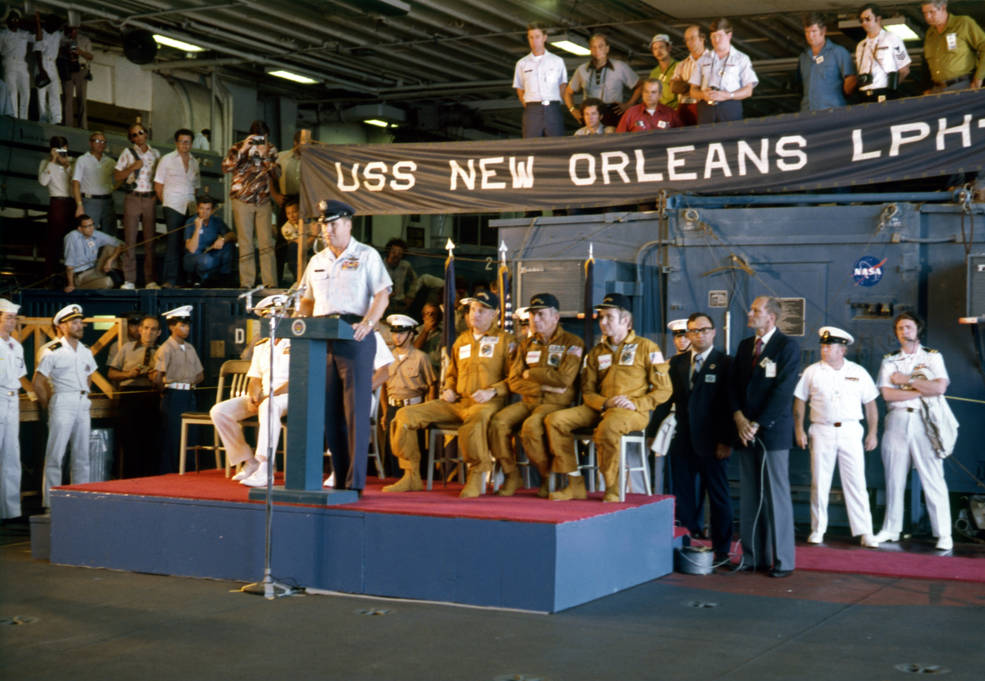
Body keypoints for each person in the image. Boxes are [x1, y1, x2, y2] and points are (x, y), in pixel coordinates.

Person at [298, 200, 391, 494]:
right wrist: (300, 319)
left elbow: (382, 295)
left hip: (354, 336)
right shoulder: (317, 261)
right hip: (321, 338)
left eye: (334, 224)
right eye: (324, 225)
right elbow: (307, 299)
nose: (328, 230)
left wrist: (369, 323)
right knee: (330, 413)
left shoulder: (366, 255)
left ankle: (354, 482)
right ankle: (339, 477)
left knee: (355, 411)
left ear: (349, 224)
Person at [545, 293, 672, 502]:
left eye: (608, 317)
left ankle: (611, 486)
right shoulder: (596, 352)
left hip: (632, 412)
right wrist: (604, 402)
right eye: (600, 317)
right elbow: (587, 391)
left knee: (609, 427)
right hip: (601, 407)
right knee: (555, 420)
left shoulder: (646, 348)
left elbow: (664, 390)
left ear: (626, 321)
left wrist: (636, 403)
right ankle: (575, 482)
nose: (602, 322)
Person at [385, 291, 513, 497]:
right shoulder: (462, 341)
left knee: (475, 420)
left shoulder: (506, 341)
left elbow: (514, 380)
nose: (475, 315)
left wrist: (493, 391)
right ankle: (411, 474)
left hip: (488, 404)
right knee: (405, 416)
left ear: (495, 314)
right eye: (472, 310)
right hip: (458, 402)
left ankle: (476, 474)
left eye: (481, 311)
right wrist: (449, 389)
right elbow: (452, 374)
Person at [728, 296, 800, 577]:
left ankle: (783, 560)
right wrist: (739, 417)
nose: (750, 313)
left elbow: (783, 390)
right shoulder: (747, 346)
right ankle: (752, 557)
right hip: (745, 430)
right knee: (749, 495)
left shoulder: (787, 346)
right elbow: (733, 385)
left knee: (776, 495)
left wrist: (758, 423)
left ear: (770, 317)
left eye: (755, 310)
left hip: (771, 431)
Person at [793, 326, 880, 549]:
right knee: (819, 482)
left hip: (851, 431)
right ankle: (818, 529)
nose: (824, 349)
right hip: (821, 430)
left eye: (829, 346)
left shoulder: (858, 372)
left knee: (856, 483)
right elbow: (799, 401)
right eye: (823, 345)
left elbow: (871, 404)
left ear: (842, 350)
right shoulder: (812, 372)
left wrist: (872, 432)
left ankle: (865, 531)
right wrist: (799, 430)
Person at [491, 293, 584, 499]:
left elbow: (564, 381)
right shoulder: (525, 344)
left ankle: (546, 477)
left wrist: (531, 374)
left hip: (556, 404)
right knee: (498, 421)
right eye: (532, 315)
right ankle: (512, 474)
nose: (535, 320)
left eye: (541, 315)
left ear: (556, 317)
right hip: (530, 401)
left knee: (531, 427)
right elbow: (514, 382)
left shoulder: (572, 343)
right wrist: (543, 387)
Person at [873, 312, 953, 552]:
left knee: (933, 477)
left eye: (908, 327)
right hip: (896, 419)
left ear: (918, 329)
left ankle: (944, 534)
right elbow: (887, 394)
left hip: (923, 421)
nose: (904, 331)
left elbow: (939, 386)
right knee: (894, 478)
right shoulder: (889, 361)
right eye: (899, 328)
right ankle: (891, 529)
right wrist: (920, 388)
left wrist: (906, 379)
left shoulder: (932, 357)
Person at [668, 313, 734, 561]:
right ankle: (684, 545)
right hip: (684, 440)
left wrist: (726, 440)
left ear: (714, 332)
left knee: (718, 498)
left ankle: (722, 550)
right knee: (683, 497)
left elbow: (731, 405)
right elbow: (667, 400)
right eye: (694, 331)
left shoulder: (726, 364)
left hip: (714, 443)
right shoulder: (678, 363)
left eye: (704, 330)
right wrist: (654, 433)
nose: (699, 335)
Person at [210, 295, 292, 488]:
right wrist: (253, 394)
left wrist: (265, 397)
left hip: (289, 396)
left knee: (268, 406)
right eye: (268, 316)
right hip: (264, 396)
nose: (273, 319)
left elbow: (298, 379)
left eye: (278, 314)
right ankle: (249, 461)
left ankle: (265, 468)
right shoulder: (262, 345)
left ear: (287, 315)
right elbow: (254, 377)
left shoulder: (298, 342)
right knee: (219, 411)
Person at [32, 304, 95, 508]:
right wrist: (49, 404)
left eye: (80, 322)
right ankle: (50, 503)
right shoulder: (52, 351)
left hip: (82, 402)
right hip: (63, 401)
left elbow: (89, 376)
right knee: (56, 454)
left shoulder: (85, 351)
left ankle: (81, 499)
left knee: (82, 454)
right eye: (74, 323)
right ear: (61, 326)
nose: (79, 326)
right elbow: (38, 381)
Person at [222, 119, 281, 288]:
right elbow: (226, 167)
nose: (260, 141)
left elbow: (277, 174)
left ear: (267, 136)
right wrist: (243, 150)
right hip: (242, 200)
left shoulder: (271, 149)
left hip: (263, 200)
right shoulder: (238, 147)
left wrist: (265, 157)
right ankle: (247, 282)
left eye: (262, 138)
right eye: (256, 138)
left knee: (266, 243)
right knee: (245, 241)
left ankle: (270, 282)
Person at [379, 314, 438, 478]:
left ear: (411, 334)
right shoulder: (388, 357)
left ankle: (414, 479)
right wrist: (384, 412)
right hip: (392, 406)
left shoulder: (421, 358)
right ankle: (394, 479)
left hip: (413, 407)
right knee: (392, 449)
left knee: (413, 447)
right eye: (394, 333)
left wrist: (429, 411)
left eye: (402, 333)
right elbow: (383, 386)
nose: (397, 337)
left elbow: (432, 385)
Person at [107, 315, 162, 478]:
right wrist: (128, 374)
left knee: (150, 441)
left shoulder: (162, 351)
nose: (149, 333)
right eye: (145, 328)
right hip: (129, 397)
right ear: (139, 330)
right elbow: (111, 373)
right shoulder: (126, 348)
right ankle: (129, 480)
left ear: (158, 333)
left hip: (151, 397)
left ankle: (148, 479)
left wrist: (156, 377)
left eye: (153, 329)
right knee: (129, 441)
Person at [152, 305, 204, 475]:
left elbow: (200, 374)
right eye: (182, 325)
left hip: (189, 393)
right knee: (173, 435)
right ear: (171, 327)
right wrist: (165, 390)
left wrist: (188, 383)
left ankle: (188, 470)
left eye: (187, 325)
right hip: (173, 394)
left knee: (191, 434)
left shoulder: (190, 348)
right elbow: (158, 376)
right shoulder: (166, 348)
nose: (186, 328)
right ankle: (171, 472)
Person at [0, 299, 36, 522]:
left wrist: (31, 392)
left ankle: (10, 510)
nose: (12, 322)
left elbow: (21, 375)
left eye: (14, 318)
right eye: (8, 317)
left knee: (12, 456)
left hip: (13, 400)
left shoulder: (16, 345)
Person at [114, 122, 161, 290]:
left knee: (150, 240)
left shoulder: (156, 153)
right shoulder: (127, 153)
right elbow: (117, 175)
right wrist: (132, 167)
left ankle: (150, 280)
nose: (138, 136)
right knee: (130, 239)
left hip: (149, 198)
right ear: (130, 138)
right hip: (133, 197)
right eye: (134, 135)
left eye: (140, 133)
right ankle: (129, 280)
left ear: (146, 134)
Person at [154, 128, 200, 289]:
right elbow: (158, 186)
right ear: (176, 143)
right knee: (173, 242)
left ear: (191, 144)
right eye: (181, 142)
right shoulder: (167, 159)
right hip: (172, 205)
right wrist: (167, 203)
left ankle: (186, 279)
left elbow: (196, 187)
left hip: (190, 206)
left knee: (187, 242)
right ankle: (170, 280)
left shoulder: (195, 162)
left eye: (187, 142)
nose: (184, 145)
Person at [689, 18, 758, 124]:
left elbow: (748, 91)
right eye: (713, 36)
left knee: (730, 138)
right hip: (705, 107)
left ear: (729, 35)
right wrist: (703, 95)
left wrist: (728, 95)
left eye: (720, 36)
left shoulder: (741, 58)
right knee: (705, 138)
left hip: (730, 106)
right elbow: (692, 90)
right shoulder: (703, 60)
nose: (716, 40)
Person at [563, 33, 639, 128]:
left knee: (613, 141)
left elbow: (641, 86)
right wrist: (572, 110)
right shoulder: (581, 69)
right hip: (590, 114)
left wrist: (629, 104)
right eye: (593, 47)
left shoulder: (620, 67)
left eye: (600, 46)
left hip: (612, 113)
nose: (597, 50)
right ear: (590, 49)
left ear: (607, 48)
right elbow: (567, 92)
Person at [513, 22, 568, 138]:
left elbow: (563, 85)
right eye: (531, 37)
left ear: (544, 37)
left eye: (537, 37)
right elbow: (519, 88)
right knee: (531, 147)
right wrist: (530, 105)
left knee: (556, 145)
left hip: (553, 107)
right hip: (532, 110)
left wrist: (554, 102)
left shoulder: (557, 61)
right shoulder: (522, 63)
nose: (534, 41)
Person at [921, 0, 985, 93]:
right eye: (925, 13)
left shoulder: (963, 23)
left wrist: (979, 78)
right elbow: (926, 65)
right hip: (937, 89)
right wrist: (926, 88)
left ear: (943, 8)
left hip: (963, 86)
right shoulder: (930, 34)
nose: (928, 17)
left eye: (931, 12)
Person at [798, 13, 856, 111]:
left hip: (832, 111)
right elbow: (800, 86)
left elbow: (851, 80)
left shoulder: (838, 52)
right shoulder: (803, 57)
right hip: (808, 112)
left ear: (823, 30)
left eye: (814, 31)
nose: (810, 36)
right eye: (807, 32)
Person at [855, 4, 912, 102]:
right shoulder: (861, 45)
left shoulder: (892, 38)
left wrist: (892, 87)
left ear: (878, 19)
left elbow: (904, 69)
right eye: (861, 20)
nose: (864, 23)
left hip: (884, 92)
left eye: (867, 19)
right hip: (864, 94)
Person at [38, 135, 75, 284]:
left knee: (71, 240)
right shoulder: (46, 163)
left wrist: (65, 164)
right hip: (57, 202)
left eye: (64, 147)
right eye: (58, 148)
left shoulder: (72, 162)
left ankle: (70, 276)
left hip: (71, 201)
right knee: (54, 240)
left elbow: (76, 180)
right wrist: (53, 161)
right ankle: (50, 275)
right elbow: (43, 181)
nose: (62, 151)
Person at [183, 195, 235, 286]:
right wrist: (197, 228)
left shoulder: (216, 220)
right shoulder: (191, 222)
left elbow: (233, 235)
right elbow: (191, 249)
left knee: (228, 245)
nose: (204, 212)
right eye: (201, 209)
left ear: (212, 211)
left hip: (210, 252)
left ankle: (224, 279)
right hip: (194, 257)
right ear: (197, 209)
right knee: (206, 261)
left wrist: (223, 239)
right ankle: (199, 280)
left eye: (207, 209)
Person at [63, 214, 124, 292]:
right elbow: (69, 264)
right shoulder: (72, 237)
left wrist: (110, 260)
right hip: (80, 275)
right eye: (87, 226)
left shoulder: (94, 233)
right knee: (108, 282)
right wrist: (70, 285)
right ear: (80, 229)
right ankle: (78, 289)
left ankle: (122, 278)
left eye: (92, 225)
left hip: (94, 270)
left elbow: (120, 244)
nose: (91, 228)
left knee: (111, 248)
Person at [71, 131, 115, 235]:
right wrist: (79, 205)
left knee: (109, 235)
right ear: (90, 143)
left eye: (104, 141)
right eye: (97, 141)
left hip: (107, 203)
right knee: (88, 233)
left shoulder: (110, 161)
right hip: (89, 202)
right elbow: (76, 184)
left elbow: (120, 175)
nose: (101, 143)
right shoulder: (82, 160)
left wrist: (113, 188)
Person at [670, 25, 709, 126]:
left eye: (692, 38)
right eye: (686, 40)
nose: (689, 42)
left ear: (702, 38)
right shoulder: (681, 64)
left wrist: (685, 86)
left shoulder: (715, 60)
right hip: (684, 108)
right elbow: (674, 87)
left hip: (706, 108)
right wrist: (696, 88)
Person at [58, 22, 92, 128]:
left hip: (81, 69)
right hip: (68, 70)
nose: (72, 32)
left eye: (74, 30)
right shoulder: (63, 40)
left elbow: (90, 56)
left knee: (81, 98)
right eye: (70, 30)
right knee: (67, 98)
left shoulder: (84, 40)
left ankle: (83, 125)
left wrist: (79, 51)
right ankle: (68, 124)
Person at [616, 78, 682, 133]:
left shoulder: (671, 113)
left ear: (660, 95)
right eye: (646, 92)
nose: (649, 95)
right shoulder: (630, 113)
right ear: (642, 94)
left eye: (653, 92)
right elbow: (620, 137)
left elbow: (681, 137)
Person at [0, 11, 31, 119]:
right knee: (12, 90)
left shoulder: (24, 33)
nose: (15, 21)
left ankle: (23, 117)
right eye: (13, 19)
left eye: (17, 19)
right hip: (9, 62)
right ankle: (13, 116)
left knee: (26, 92)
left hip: (22, 63)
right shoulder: (2, 34)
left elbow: (38, 38)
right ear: (8, 21)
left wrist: (36, 21)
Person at [33, 12, 62, 124]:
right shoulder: (42, 33)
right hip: (42, 63)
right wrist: (41, 69)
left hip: (52, 64)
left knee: (55, 92)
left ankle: (56, 118)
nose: (54, 28)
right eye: (53, 25)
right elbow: (37, 51)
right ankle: (43, 118)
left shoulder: (57, 34)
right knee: (41, 93)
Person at [383, 238, 418, 312]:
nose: (396, 255)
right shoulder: (380, 266)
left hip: (401, 301)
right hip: (384, 303)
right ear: (388, 252)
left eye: (400, 253)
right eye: (393, 252)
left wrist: (410, 296)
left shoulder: (405, 265)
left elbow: (415, 280)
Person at [646, 34, 678, 110]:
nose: (658, 51)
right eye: (655, 49)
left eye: (661, 47)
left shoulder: (679, 66)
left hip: (676, 112)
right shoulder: (654, 73)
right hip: (659, 113)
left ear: (669, 48)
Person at [413, 301, 443, 373]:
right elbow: (414, 349)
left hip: (438, 371)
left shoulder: (444, 332)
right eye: (427, 314)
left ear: (438, 316)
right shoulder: (416, 331)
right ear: (423, 317)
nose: (430, 316)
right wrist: (426, 330)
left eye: (433, 314)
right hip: (420, 370)